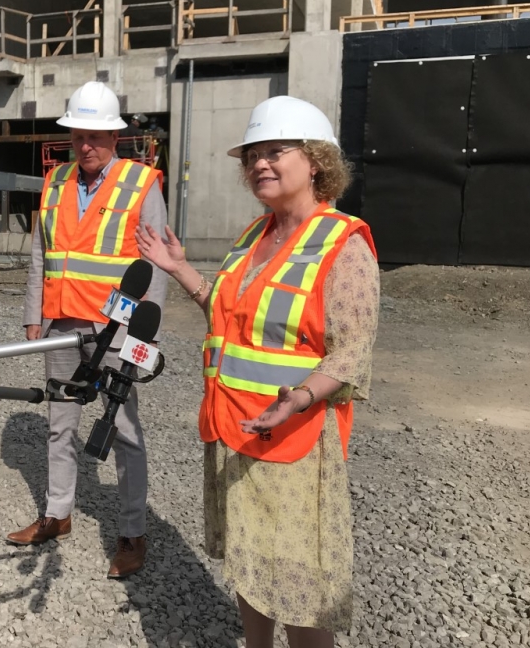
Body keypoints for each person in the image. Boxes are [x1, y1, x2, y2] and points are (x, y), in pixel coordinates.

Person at [136, 95, 380, 648]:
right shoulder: (254, 236)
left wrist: (298, 398)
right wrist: (179, 270)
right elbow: (229, 317)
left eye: (275, 152)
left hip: (295, 440)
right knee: (248, 562)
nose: (260, 165)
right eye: (252, 156)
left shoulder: (343, 244)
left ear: (315, 161)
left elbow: (352, 352)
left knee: (298, 581)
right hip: (234, 428)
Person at [8, 81, 167, 579]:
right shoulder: (54, 183)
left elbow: (156, 263)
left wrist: (146, 334)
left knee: (124, 430)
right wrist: (34, 314)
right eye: (79, 135)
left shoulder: (141, 183)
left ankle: (132, 531)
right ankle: (58, 514)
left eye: (96, 136)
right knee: (60, 422)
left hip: (117, 328)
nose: (87, 145)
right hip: (62, 323)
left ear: (115, 137)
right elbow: (40, 253)